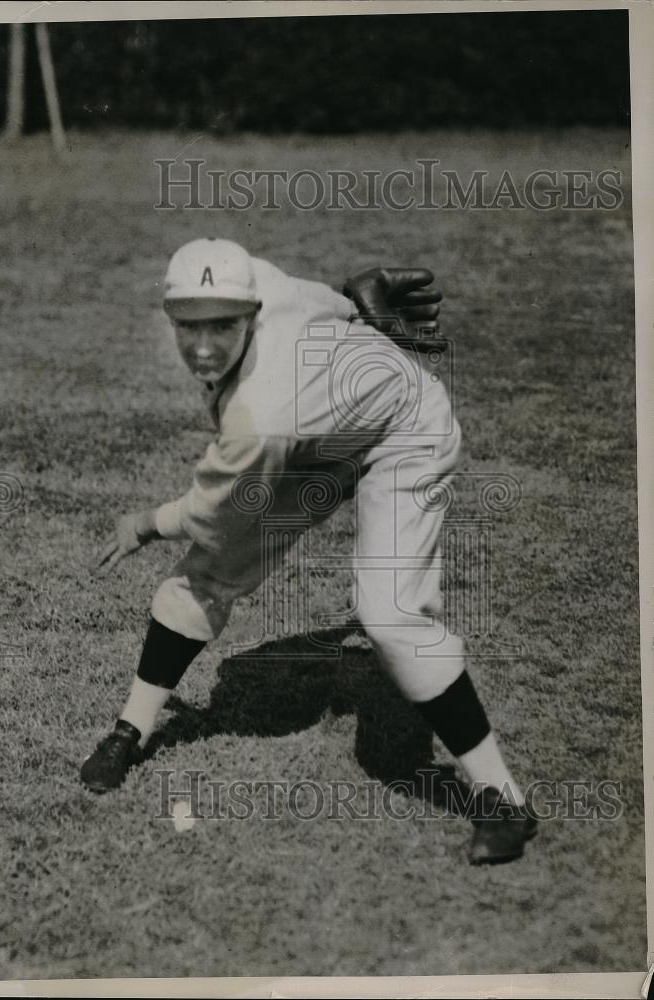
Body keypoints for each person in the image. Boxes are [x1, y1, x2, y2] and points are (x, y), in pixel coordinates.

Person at [81, 237, 537, 865]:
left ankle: (504, 800)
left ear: (251, 311)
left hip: (402, 430)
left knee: (390, 619)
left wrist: (144, 522)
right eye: (190, 326)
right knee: (210, 573)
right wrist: (351, 300)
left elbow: (207, 510)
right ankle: (129, 732)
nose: (206, 344)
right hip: (315, 443)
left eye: (224, 326)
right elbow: (318, 301)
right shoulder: (260, 280)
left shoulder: (257, 418)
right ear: (169, 318)